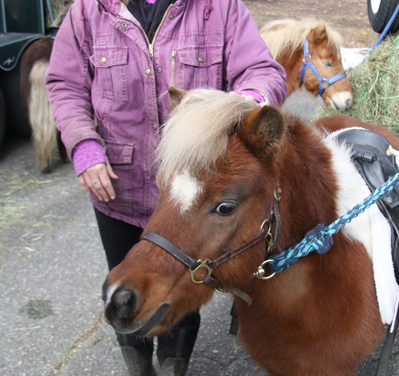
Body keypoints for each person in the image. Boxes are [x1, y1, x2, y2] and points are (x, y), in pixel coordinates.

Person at [46, 0, 286, 375]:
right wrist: (83, 144)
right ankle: (137, 365)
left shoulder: (217, 8)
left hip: (190, 196)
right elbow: (64, 84)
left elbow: (260, 69)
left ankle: (175, 365)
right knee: (126, 282)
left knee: (185, 280)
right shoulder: (87, 12)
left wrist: (245, 105)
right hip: (119, 190)